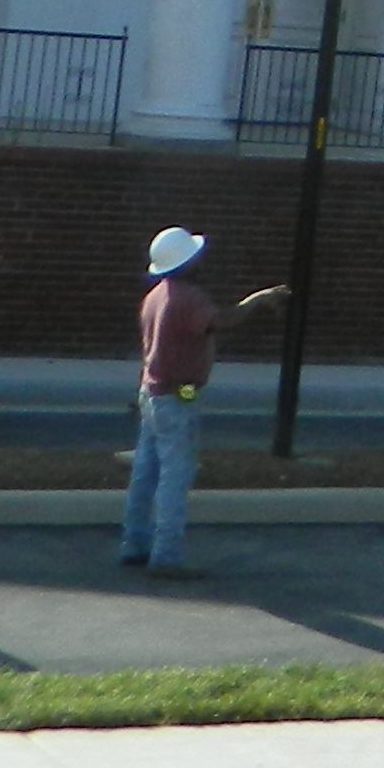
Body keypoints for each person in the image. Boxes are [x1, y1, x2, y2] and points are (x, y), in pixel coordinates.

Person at [122, 226, 286, 579]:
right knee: (174, 477)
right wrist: (258, 300)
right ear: (186, 261)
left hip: (151, 392)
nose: (200, 260)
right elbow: (223, 320)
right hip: (177, 396)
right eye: (195, 255)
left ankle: (134, 545)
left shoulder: (155, 296)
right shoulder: (189, 297)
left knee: (145, 474)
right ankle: (165, 557)